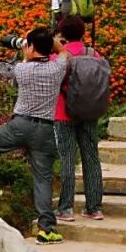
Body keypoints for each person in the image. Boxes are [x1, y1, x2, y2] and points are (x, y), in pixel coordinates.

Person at [0, 27, 67, 245]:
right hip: (45, 130)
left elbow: (22, 65)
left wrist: (28, 49)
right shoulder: (57, 68)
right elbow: (63, 54)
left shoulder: (21, 70)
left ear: (31, 47)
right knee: (42, 178)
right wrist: (53, 43)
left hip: (20, 124)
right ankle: (47, 229)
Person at [51, 15, 104, 223]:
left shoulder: (60, 57)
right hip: (90, 112)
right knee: (91, 157)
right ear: (83, 32)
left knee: (67, 159)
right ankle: (95, 207)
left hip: (63, 112)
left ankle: (66, 208)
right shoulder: (94, 54)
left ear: (62, 33)